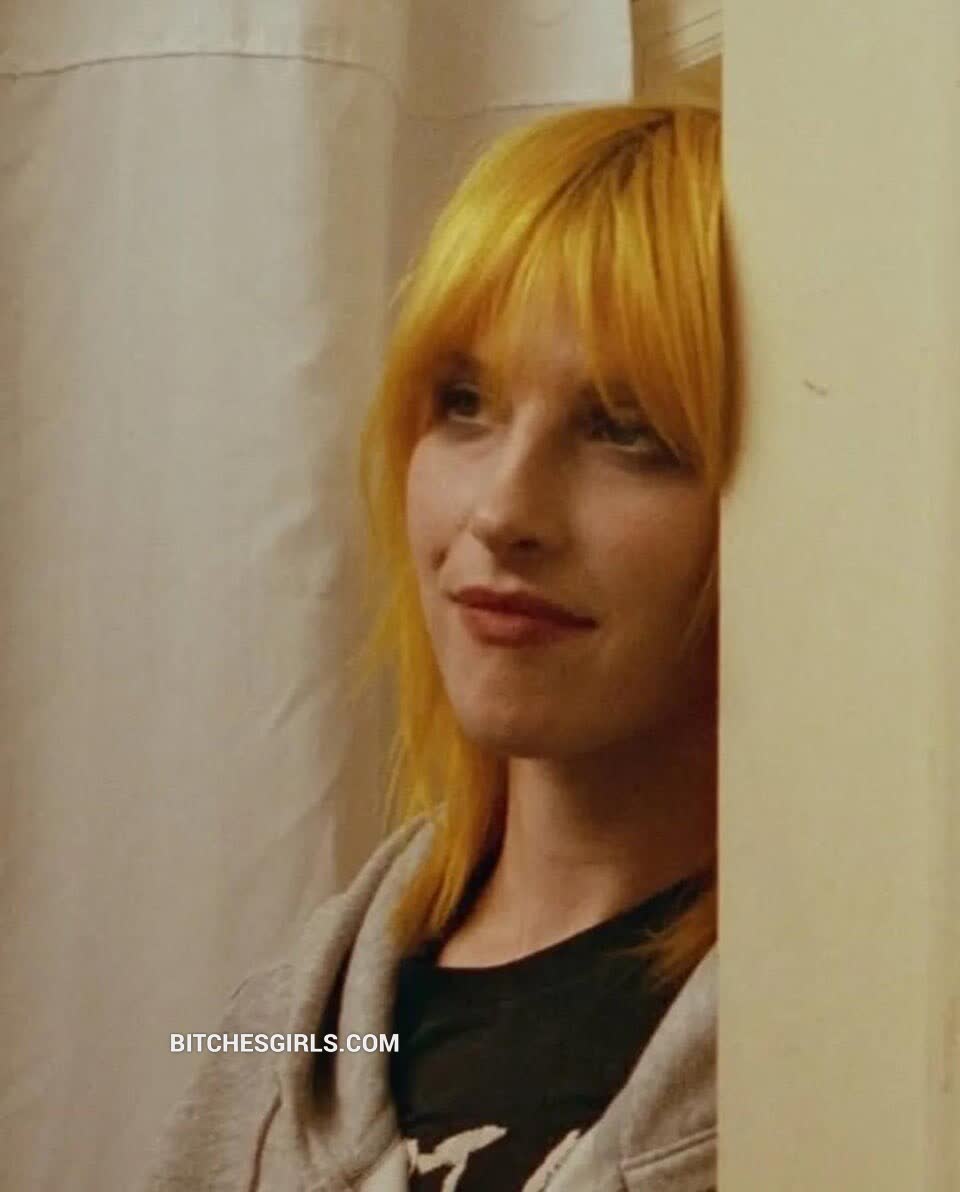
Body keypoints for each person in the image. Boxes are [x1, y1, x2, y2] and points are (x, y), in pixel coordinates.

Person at [143, 93, 740, 1191]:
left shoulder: (858, 1040)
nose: (502, 512)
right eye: (465, 403)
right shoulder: (272, 1052)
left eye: (625, 430)